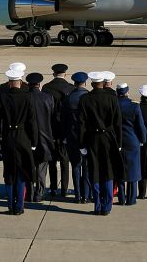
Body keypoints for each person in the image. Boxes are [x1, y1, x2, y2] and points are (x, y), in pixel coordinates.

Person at [78, 71, 124, 215]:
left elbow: (81, 124)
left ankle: (97, 206)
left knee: (95, 171)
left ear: (92, 84)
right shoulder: (112, 98)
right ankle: (107, 206)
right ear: (103, 83)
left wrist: (82, 144)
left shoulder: (85, 99)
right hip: (109, 138)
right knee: (108, 172)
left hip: (93, 138)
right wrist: (119, 142)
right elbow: (118, 122)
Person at [0, 68, 38, 214]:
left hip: (7, 137)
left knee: (9, 172)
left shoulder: (2, 97)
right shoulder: (28, 97)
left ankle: (10, 205)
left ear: (9, 82)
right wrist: (34, 142)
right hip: (23, 137)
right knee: (21, 172)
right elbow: (32, 122)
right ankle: (19, 206)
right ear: (20, 80)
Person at [43, 63, 75, 197]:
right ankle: (64, 189)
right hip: (65, 129)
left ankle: (53, 187)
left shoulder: (46, 87)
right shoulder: (71, 88)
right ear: (65, 74)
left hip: (50, 129)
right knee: (64, 161)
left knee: (51, 161)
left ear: (53, 74)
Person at [25, 72, 56, 202]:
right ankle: (40, 193)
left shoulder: (25, 97)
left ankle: (30, 192)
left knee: (28, 167)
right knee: (42, 168)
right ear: (39, 84)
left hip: (28, 138)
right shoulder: (48, 98)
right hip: (45, 137)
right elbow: (52, 119)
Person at [115, 83, 147, 205]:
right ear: (127, 92)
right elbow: (140, 126)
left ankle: (122, 199)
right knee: (133, 170)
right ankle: (131, 199)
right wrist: (142, 140)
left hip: (118, 141)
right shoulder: (134, 106)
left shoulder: (114, 104)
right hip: (132, 141)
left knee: (120, 169)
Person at [64, 70, 91, 202]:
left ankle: (78, 195)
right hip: (86, 135)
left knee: (75, 165)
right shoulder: (88, 97)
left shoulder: (68, 97)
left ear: (74, 83)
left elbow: (63, 118)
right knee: (86, 167)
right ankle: (86, 195)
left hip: (72, 136)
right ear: (85, 82)